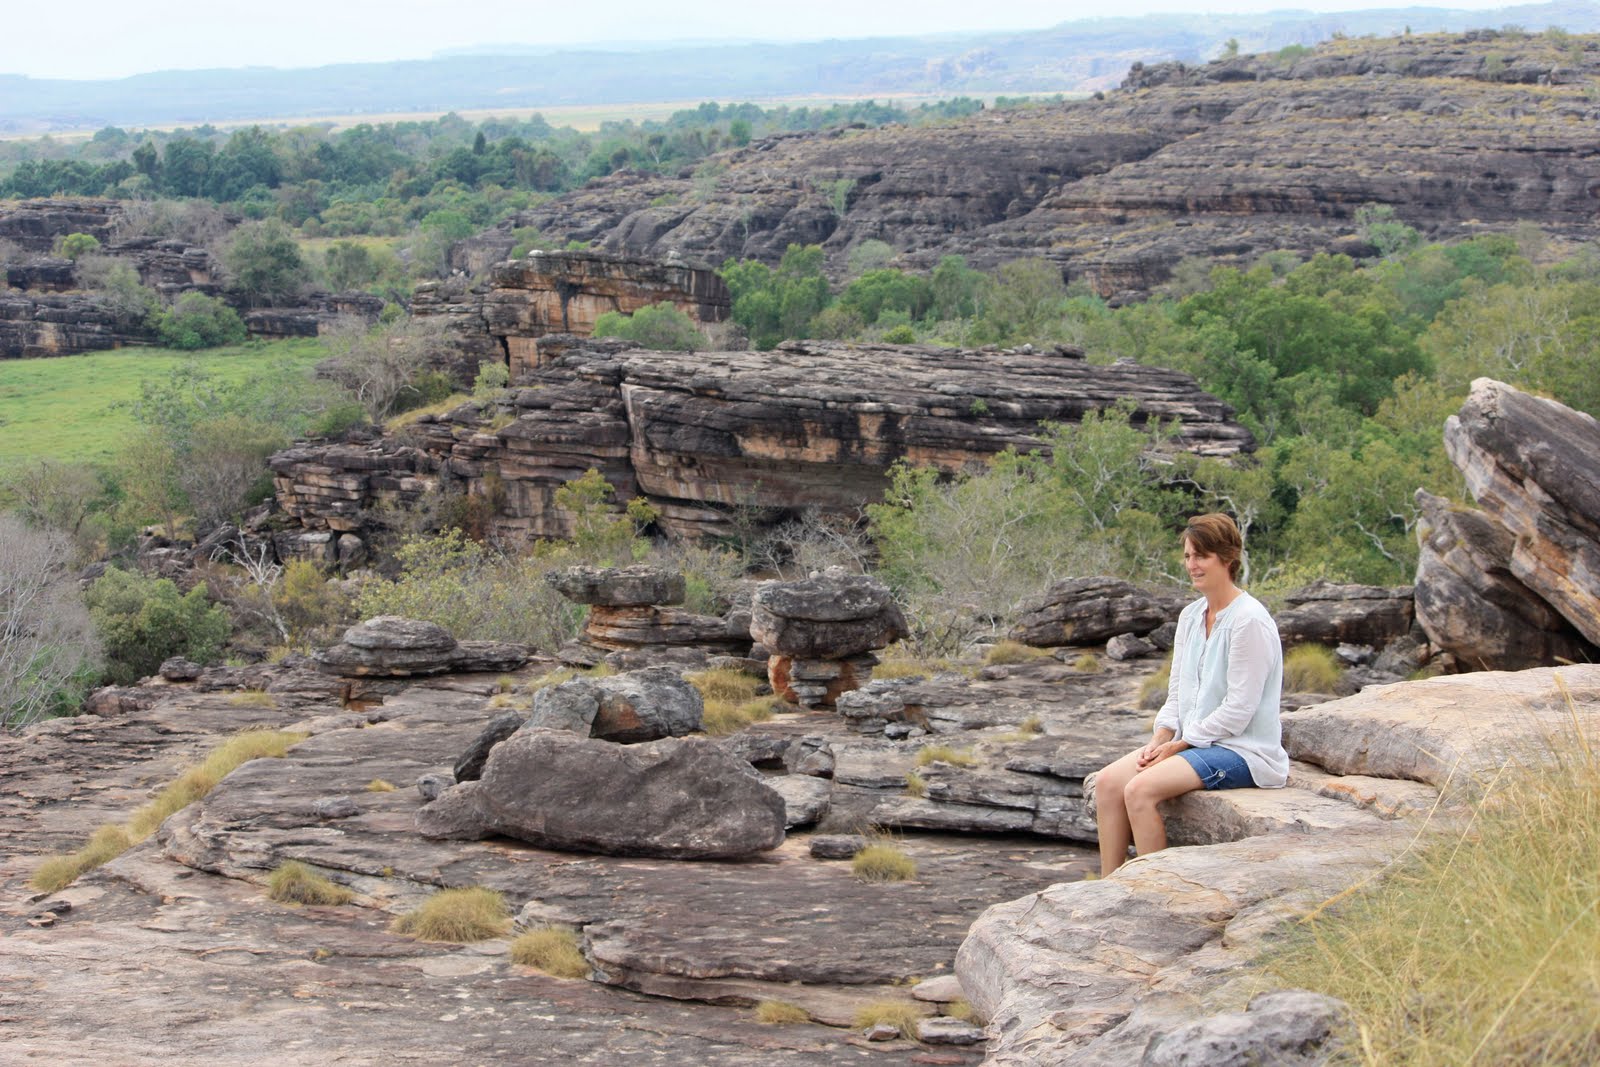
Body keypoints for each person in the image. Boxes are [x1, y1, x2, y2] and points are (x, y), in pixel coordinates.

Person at [1093, 513, 1287, 876]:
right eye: (1187, 556)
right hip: (1195, 742)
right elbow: (1178, 692)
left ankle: (1155, 891)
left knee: (1139, 790)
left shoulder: (1249, 620)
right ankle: (1109, 887)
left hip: (1243, 750)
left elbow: (1239, 709)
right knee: (1107, 783)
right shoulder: (1191, 616)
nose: (1192, 565)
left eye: (1201, 556)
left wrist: (1180, 745)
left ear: (1227, 558)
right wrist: (1161, 737)